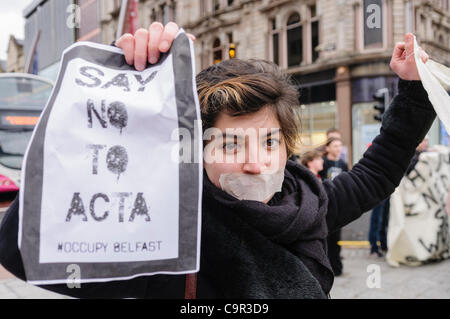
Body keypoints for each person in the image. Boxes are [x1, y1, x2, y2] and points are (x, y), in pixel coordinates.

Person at [0, 22, 434, 299]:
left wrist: (414, 90)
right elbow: (22, 251)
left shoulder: (310, 203)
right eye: (228, 145)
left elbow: (378, 170)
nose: (255, 163)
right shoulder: (165, 229)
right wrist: (119, 93)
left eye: (268, 141)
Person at [318, 137, 349, 276]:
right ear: (328, 148)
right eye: (335, 146)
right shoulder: (322, 163)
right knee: (325, 237)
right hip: (325, 204)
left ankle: (336, 267)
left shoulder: (343, 163)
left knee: (336, 238)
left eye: (340, 146)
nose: (338, 148)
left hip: (338, 204)